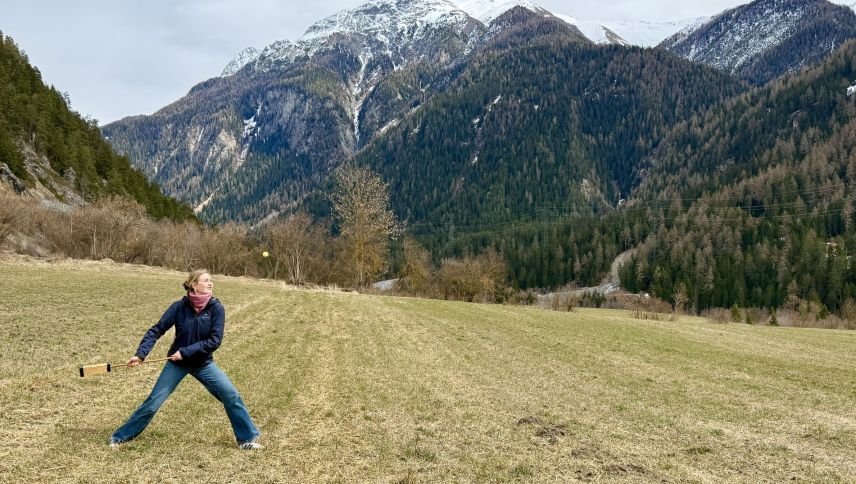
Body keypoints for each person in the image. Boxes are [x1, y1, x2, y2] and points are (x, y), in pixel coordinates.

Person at [109, 269, 262, 450]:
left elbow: (215, 340)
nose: (211, 283)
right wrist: (140, 354)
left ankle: (247, 439)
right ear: (193, 285)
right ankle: (119, 437)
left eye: (211, 280)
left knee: (231, 395)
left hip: (203, 363)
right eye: (206, 280)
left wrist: (186, 352)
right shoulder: (179, 307)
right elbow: (156, 330)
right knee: (153, 403)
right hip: (177, 364)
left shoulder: (216, 308)